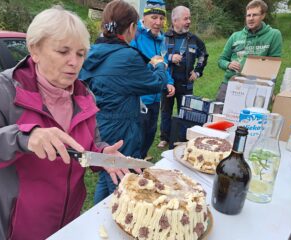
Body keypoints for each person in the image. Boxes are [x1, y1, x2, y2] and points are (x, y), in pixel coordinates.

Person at [0, 6, 131, 240]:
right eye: (63, 51)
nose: (73, 62)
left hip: (67, 226)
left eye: (80, 54)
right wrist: (22, 138)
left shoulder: (85, 96)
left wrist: (103, 154)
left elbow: (86, 146)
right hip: (13, 228)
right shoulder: (3, 89)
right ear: (34, 49)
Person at [80, 0, 168, 204]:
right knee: (123, 185)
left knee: (107, 172)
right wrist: (160, 64)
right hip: (122, 130)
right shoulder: (127, 56)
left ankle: (96, 218)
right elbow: (156, 83)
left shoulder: (95, 51)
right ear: (130, 28)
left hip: (101, 124)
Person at [158, 5, 208, 148]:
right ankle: (165, 137)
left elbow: (203, 56)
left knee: (185, 112)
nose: (189, 21)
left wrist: (197, 71)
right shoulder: (163, 38)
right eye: (186, 18)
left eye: (189, 18)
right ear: (175, 20)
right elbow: (156, 56)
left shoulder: (194, 39)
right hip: (168, 82)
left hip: (186, 83)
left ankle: (182, 137)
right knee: (166, 111)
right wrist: (169, 57)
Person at [130, 0, 175, 157]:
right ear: (145, 17)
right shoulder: (135, 36)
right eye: (154, 17)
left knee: (150, 133)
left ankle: (140, 160)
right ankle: (132, 168)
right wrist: (155, 66)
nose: (158, 22)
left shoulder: (161, 39)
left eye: (161, 19)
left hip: (156, 97)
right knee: (137, 137)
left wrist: (168, 82)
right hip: (140, 99)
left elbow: (164, 62)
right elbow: (133, 67)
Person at [216, 0, 282, 102]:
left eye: (255, 15)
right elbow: (221, 60)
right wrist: (228, 64)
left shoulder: (274, 35)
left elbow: (274, 66)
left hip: (256, 84)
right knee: (218, 114)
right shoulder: (235, 36)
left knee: (250, 116)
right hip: (231, 82)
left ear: (263, 15)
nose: (250, 19)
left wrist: (269, 89)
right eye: (248, 15)